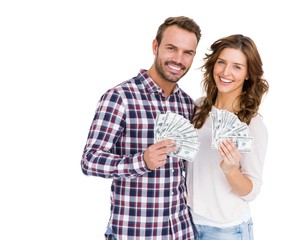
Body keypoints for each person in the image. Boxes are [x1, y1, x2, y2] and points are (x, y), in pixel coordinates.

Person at [81, 16, 201, 240]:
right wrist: (141, 162)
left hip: (181, 231)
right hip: (135, 232)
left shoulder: (186, 103)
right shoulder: (119, 97)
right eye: (171, 48)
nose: (178, 58)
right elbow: (90, 161)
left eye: (188, 52)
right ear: (155, 47)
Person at [186, 34, 269, 240]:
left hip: (226, 231)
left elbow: (251, 191)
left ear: (249, 74)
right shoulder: (198, 108)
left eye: (237, 66)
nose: (225, 72)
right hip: (186, 223)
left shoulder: (253, 125)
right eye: (221, 62)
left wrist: (231, 169)